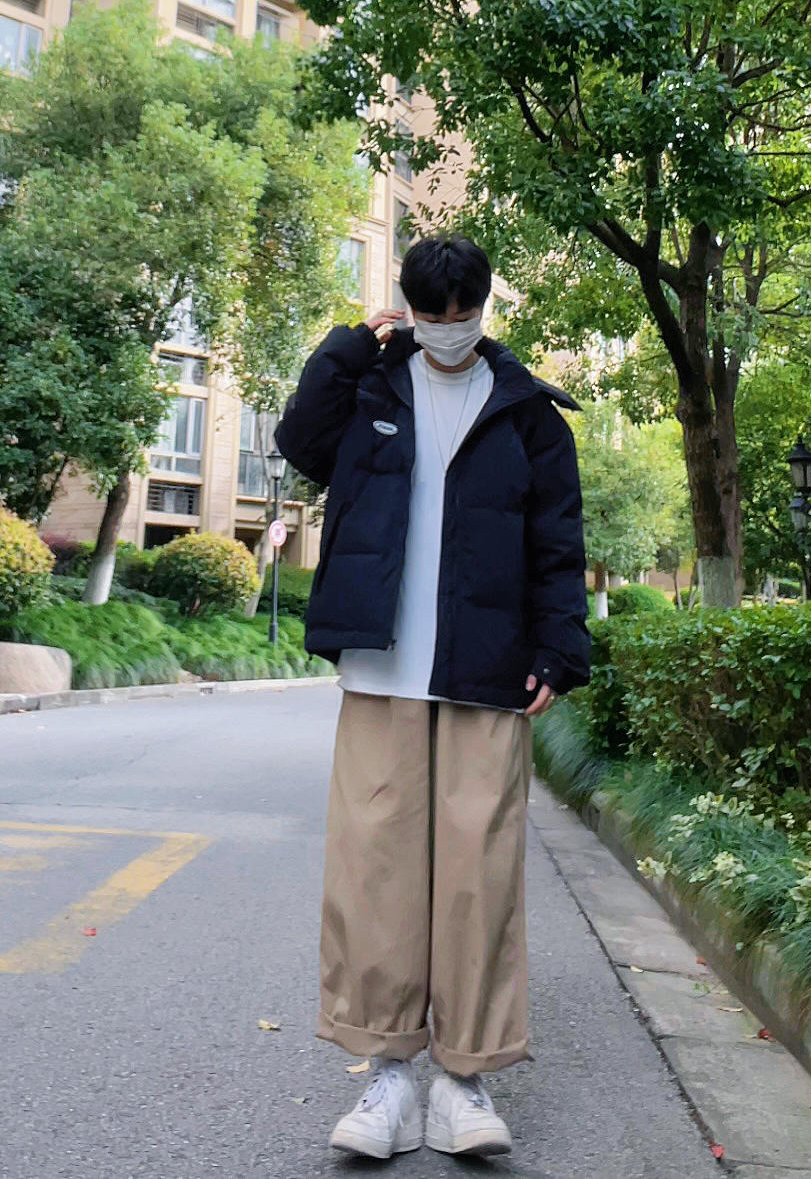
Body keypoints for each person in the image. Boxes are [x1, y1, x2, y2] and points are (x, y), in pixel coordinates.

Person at [275, 235, 590, 1160]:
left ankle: (466, 1078)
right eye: (432, 316)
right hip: (381, 670)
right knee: (374, 873)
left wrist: (557, 649)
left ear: (483, 308)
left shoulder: (528, 414)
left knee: (477, 878)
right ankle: (387, 1077)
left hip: (486, 674)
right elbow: (300, 443)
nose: (449, 331)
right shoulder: (369, 389)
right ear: (408, 309)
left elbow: (557, 543)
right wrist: (344, 348)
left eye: (463, 316)